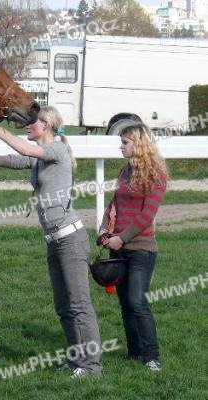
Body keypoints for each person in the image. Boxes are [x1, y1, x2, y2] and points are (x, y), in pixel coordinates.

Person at [0, 106, 103, 378]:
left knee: (79, 306)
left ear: (46, 125)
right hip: (54, 241)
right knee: (64, 308)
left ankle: (91, 366)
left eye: (32, 122)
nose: (28, 126)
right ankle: (76, 360)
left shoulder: (57, 150)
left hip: (70, 240)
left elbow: (25, 149)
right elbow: (1, 160)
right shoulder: (39, 159)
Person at [97, 120, 168, 372]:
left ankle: (152, 356)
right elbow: (113, 205)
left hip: (141, 250)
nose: (121, 146)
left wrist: (122, 238)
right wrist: (104, 230)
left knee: (137, 301)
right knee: (126, 304)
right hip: (118, 248)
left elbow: (146, 216)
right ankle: (134, 352)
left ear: (139, 144)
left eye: (125, 142)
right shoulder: (124, 171)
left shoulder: (157, 175)